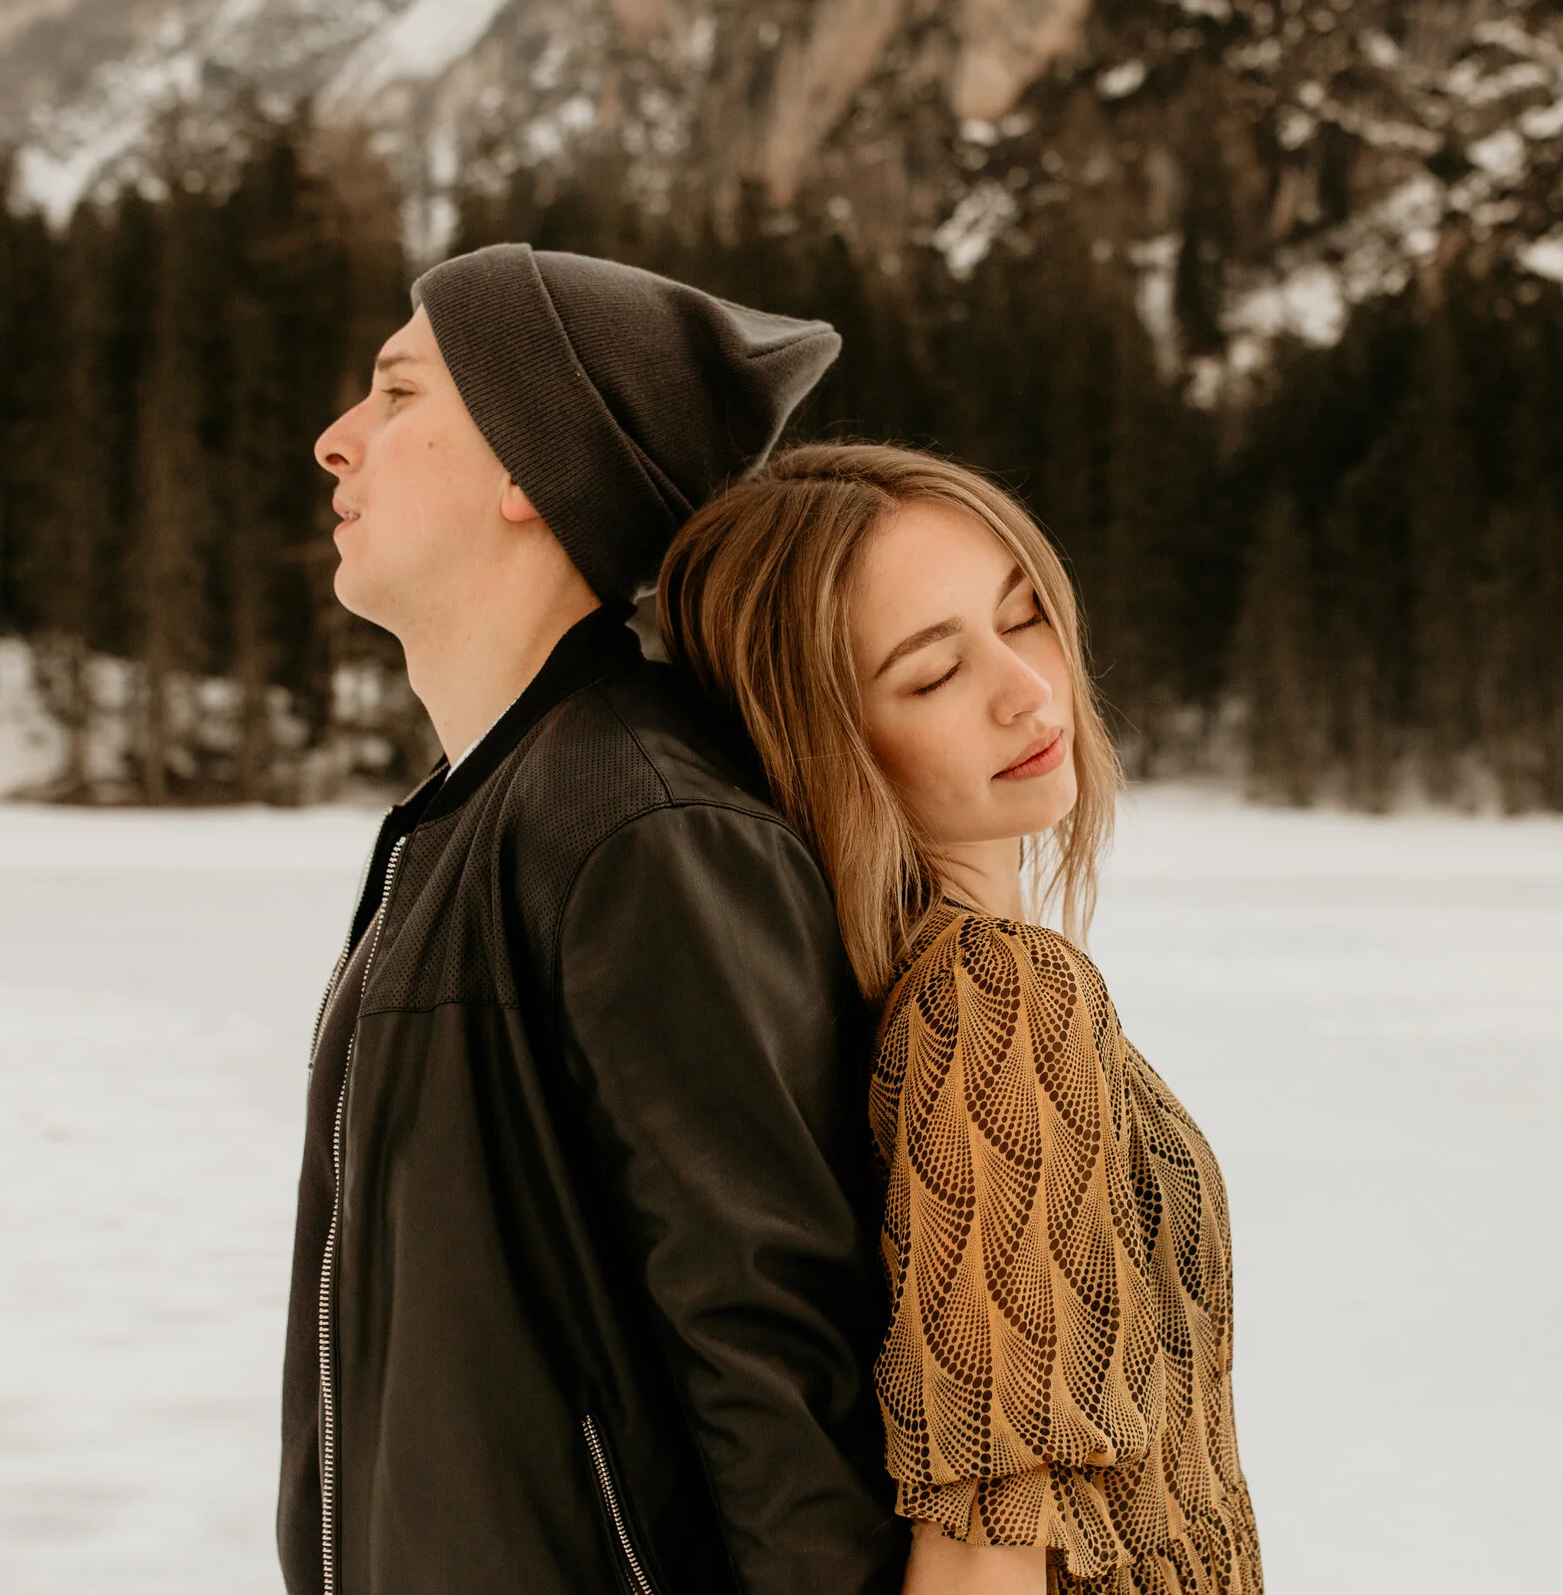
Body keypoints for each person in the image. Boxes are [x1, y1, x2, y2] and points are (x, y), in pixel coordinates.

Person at [283, 247, 909, 1595]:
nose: (336, 442)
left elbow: (773, 1355)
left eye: (397, 393)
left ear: (530, 467)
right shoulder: (480, 815)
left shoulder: (638, 826)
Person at [657, 443, 1261, 1595]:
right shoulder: (998, 995)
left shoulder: (922, 989)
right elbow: (986, 1539)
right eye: (932, 674)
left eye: (1024, 615)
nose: (1026, 688)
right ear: (823, 738)